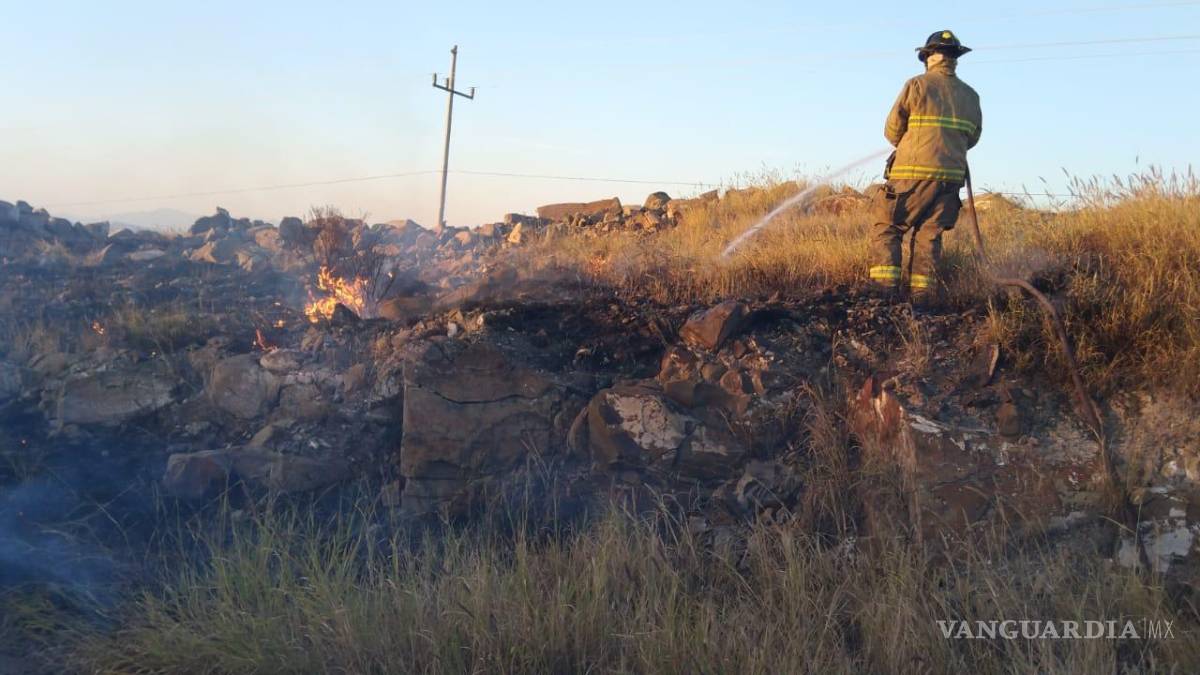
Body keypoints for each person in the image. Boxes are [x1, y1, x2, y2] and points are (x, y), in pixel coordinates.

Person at [869, 30, 982, 302]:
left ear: (928, 56)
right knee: (929, 237)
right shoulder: (970, 95)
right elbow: (973, 137)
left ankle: (884, 298)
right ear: (955, 58)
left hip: (911, 175)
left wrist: (915, 147)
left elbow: (892, 130)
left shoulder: (917, 85)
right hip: (950, 179)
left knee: (888, 227)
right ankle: (922, 300)